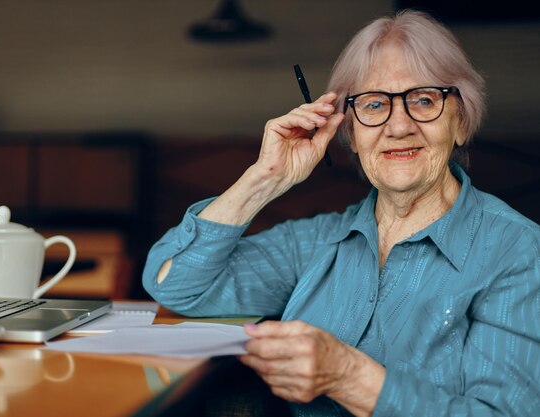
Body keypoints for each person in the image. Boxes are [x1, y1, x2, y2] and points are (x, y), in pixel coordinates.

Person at [142, 9, 540, 417]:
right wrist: (264, 179)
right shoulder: (317, 243)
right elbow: (175, 283)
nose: (398, 126)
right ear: (349, 134)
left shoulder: (517, 251)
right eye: (373, 104)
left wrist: (347, 376)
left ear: (461, 123)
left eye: (424, 100)